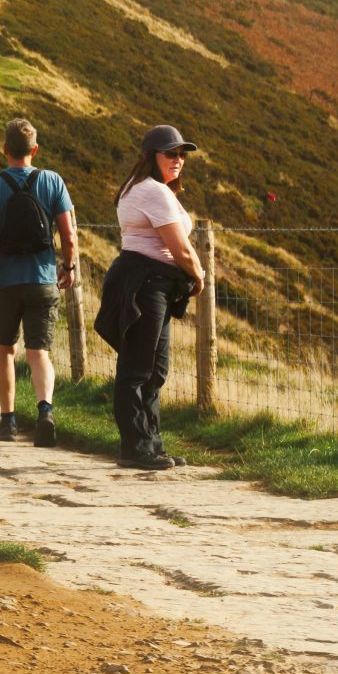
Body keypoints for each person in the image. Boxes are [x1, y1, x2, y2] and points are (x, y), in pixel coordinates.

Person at [94, 125, 204, 471]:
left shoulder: (142, 188)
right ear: (150, 156)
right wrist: (198, 275)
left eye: (181, 154)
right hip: (146, 283)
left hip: (151, 283)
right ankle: (136, 448)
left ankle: (151, 445)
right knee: (138, 368)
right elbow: (180, 248)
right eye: (170, 153)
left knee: (154, 368)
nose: (178, 160)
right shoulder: (152, 191)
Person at [0, 118, 78, 446]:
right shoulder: (53, 181)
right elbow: (69, 234)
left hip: (5, 283)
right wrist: (69, 266)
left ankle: (7, 422)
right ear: (35, 149)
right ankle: (45, 411)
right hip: (43, 280)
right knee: (39, 351)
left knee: (4, 349)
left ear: (4, 149)